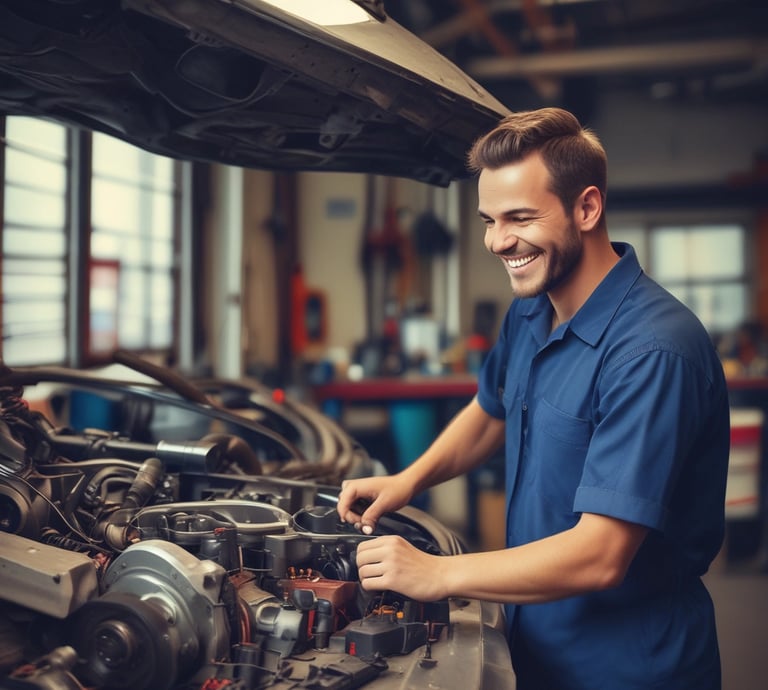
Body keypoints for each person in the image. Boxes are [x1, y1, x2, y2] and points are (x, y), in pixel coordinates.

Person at [337, 107, 730, 689]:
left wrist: (436, 573)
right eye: (489, 220)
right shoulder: (530, 310)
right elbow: (492, 411)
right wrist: (408, 480)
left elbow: (601, 554)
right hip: (534, 644)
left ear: (587, 208)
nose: (499, 242)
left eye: (520, 217)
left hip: (628, 666)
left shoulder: (653, 351)